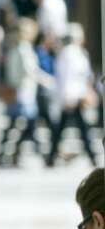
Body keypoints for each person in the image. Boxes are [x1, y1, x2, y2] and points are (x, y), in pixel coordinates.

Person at [0, 18, 53, 167]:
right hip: (24, 93)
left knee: (19, 126)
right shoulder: (24, 49)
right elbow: (31, 71)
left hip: (17, 92)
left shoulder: (13, 48)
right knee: (27, 125)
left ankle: (9, 154)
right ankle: (43, 155)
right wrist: (48, 81)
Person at [46, 23, 96, 168]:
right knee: (81, 128)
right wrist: (69, 96)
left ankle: (51, 157)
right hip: (72, 96)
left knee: (67, 128)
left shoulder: (78, 52)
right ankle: (91, 155)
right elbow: (67, 77)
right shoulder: (69, 53)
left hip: (77, 95)